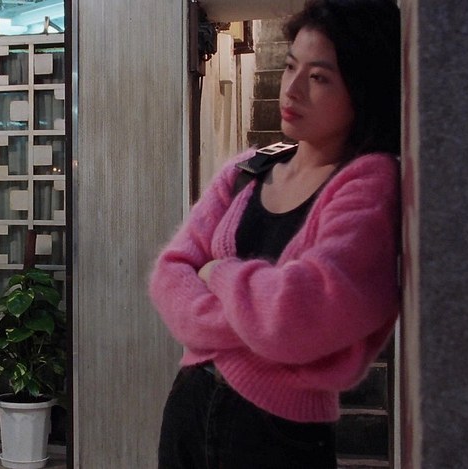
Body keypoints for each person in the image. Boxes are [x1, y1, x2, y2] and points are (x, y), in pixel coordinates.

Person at [149, 0, 401, 467]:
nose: (292, 88)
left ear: (362, 89)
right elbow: (169, 275)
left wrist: (218, 273)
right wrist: (257, 320)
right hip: (190, 406)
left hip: (277, 434)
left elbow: (298, 320)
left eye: (319, 77)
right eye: (289, 66)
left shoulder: (369, 182)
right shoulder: (248, 170)